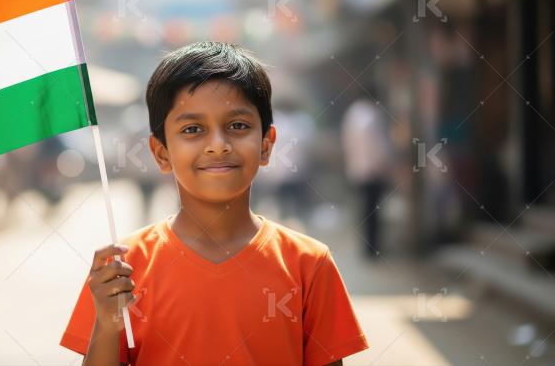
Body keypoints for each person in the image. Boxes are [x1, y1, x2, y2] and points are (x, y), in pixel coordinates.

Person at [60, 42, 368, 365]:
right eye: (193, 129)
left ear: (266, 145)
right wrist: (108, 325)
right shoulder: (123, 269)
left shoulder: (309, 264)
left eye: (237, 126)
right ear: (161, 153)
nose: (218, 145)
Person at [341, 97, 391, 259]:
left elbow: (347, 142)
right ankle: (372, 247)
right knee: (373, 210)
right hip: (373, 170)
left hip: (358, 169)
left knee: (365, 210)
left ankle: (368, 247)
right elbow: (379, 145)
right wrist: (385, 165)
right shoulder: (373, 115)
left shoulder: (353, 113)